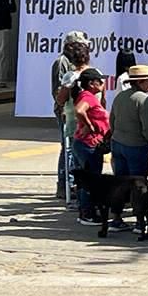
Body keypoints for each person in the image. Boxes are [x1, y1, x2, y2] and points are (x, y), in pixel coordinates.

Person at [108, 64, 148, 231]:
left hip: (118, 142)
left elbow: (112, 120)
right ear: (142, 81)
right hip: (137, 145)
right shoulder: (144, 100)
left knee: (119, 183)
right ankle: (139, 222)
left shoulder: (120, 97)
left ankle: (116, 218)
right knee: (138, 185)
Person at [51, 32, 89, 197]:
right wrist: (63, 109)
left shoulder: (73, 63)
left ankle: (72, 182)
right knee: (67, 147)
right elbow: (58, 91)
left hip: (74, 109)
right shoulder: (62, 62)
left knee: (73, 147)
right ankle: (64, 183)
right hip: (66, 111)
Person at [71, 68, 110, 226]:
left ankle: (85, 210)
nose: (102, 83)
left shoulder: (89, 96)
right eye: (99, 81)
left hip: (84, 143)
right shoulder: (88, 97)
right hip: (89, 144)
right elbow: (79, 110)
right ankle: (88, 213)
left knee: (84, 179)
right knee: (90, 179)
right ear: (91, 83)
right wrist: (90, 125)